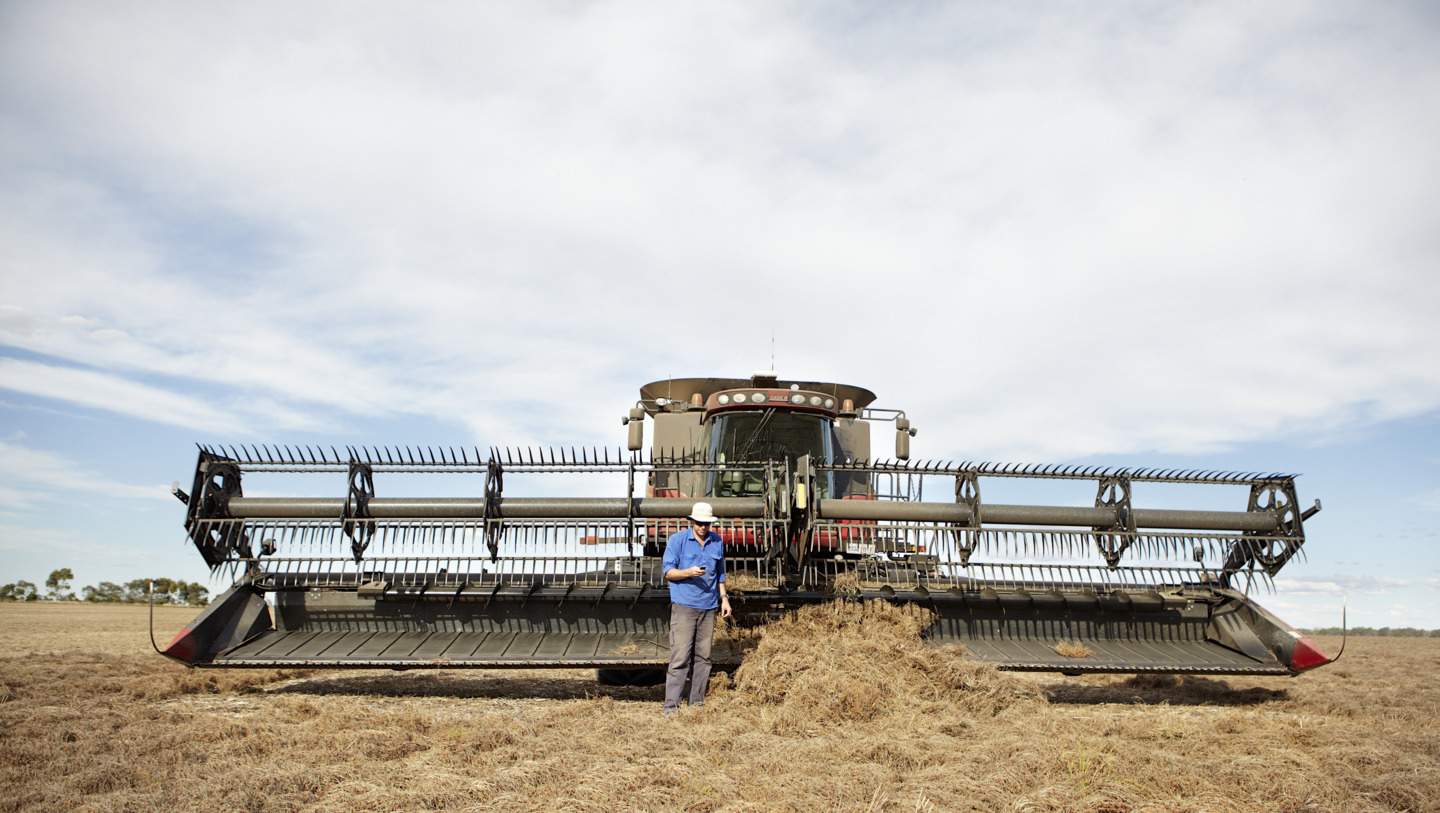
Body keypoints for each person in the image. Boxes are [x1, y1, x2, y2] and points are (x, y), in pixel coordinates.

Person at [660, 501, 732, 713]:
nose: (703, 527)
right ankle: (671, 707)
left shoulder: (716, 541)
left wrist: (724, 598)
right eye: (699, 523)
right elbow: (668, 572)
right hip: (684, 606)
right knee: (680, 657)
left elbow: (720, 574)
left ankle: (696, 704)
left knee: (703, 657)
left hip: (709, 607)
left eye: (707, 523)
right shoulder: (678, 541)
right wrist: (688, 572)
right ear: (691, 521)